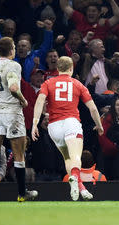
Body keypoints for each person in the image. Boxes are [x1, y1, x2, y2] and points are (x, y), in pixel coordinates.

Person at [31, 56, 104, 201]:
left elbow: (39, 101)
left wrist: (35, 123)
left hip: (54, 127)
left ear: (58, 69)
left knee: (68, 158)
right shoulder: (78, 84)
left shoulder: (48, 83)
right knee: (76, 157)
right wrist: (99, 125)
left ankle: (80, 187)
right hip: (71, 123)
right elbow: (93, 108)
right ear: (71, 68)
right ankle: (75, 179)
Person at [0, 37, 38, 202]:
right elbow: (13, 88)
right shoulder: (14, 65)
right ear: (11, 49)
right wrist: (23, 100)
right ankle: (22, 193)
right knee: (19, 154)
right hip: (12, 112)